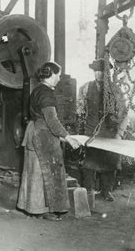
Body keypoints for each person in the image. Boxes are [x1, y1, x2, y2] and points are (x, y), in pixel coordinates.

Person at [17, 61, 80, 221]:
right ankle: (41, 210)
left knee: (33, 171)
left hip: (34, 132)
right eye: (58, 75)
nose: (59, 78)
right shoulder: (46, 93)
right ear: (50, 74)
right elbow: (52, 121)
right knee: (44, 172)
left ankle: (31, 207)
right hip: (42, 136)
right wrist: (68, 137)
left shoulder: (37, 89)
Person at [76, 58, 128, 202]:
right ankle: (88, 191)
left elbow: (123, 113)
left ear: (108, 73)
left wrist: (119, 133)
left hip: (109, 131)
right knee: (89, 163)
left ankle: (106, 191)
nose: (99, 74)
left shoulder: (116, 90)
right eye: (96, 71)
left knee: (110, 162)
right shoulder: (86, 88)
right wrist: (80, 131)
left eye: (102, 72)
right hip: (91, 131)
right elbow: (80, 109)